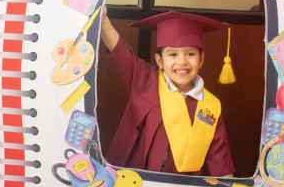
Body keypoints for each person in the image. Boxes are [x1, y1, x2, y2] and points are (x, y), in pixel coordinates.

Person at [100, 9, 235, 176]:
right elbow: (120, 52)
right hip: (134, 182)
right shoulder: (146, 81)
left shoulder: (211, 106)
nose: (182, 62)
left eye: (190, 54)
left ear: (201, 60)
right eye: (172, 54)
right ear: (160, 61)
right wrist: (103, 20)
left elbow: (220, 161)